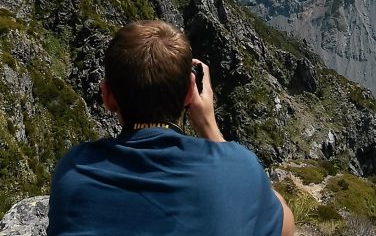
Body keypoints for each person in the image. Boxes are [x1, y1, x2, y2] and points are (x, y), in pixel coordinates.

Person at [47, 20, 295, 236]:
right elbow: (285, 226)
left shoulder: (73, 171)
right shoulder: (240, 168)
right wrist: (209, 127)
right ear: (191, 91)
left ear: (107, 95)